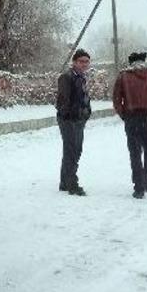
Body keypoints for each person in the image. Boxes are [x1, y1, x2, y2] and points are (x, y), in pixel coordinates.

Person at [113, 52, 147, 199]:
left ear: (131, 63)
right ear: (144, 61)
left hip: (132, 117)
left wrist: (124, 115)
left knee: (135, 153)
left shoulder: (123, 76)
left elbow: (117, 98)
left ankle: (139, 186)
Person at [55, 49, 92, 196]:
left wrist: (87, 112)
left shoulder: (81, 77)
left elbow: (83, 98)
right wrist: (69, 115)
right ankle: (72, 184)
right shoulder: (66, 77)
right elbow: (64, 100)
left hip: (78, 120)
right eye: (81, 61)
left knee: (74, 150)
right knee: (72, 151)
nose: (84, 64)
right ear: (74, 62)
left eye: (86, 61)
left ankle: (65, 182)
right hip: (69, 120)